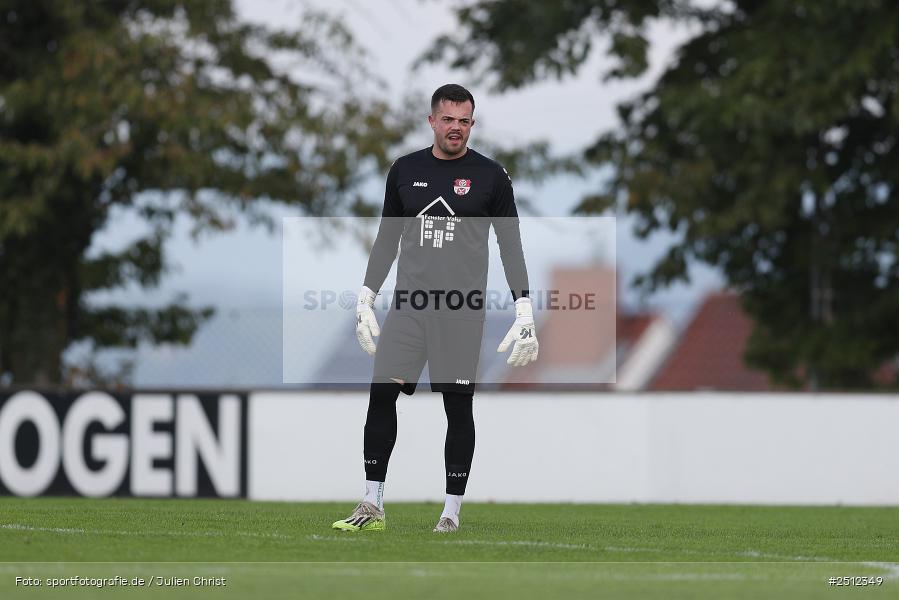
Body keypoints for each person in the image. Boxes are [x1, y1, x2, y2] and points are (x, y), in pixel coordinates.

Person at [331, 84, 537, 534]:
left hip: (461, 311)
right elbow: (387, 237)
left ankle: (450, 512)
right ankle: (371, 504)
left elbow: (511, 245)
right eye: (448, 119)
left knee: (458, 408)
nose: (456, 129)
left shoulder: (491, 176)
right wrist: (366, 296)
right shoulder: (405, 170)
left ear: (472, 124)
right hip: (408, 307)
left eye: (465, 121)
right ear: (432, 121)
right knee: (381, 395)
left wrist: (524, 308)